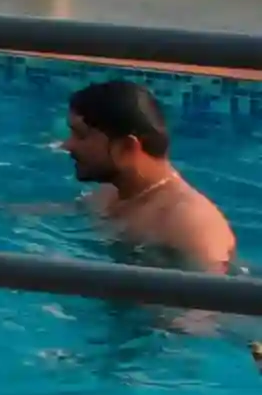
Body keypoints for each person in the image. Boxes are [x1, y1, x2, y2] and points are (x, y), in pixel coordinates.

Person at [63, 78, 238, 273]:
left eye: (81, 136)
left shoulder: (190, 223)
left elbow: (211, 297)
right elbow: (61, 213)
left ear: (127, 147)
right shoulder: (109, 194)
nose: (67, 145)